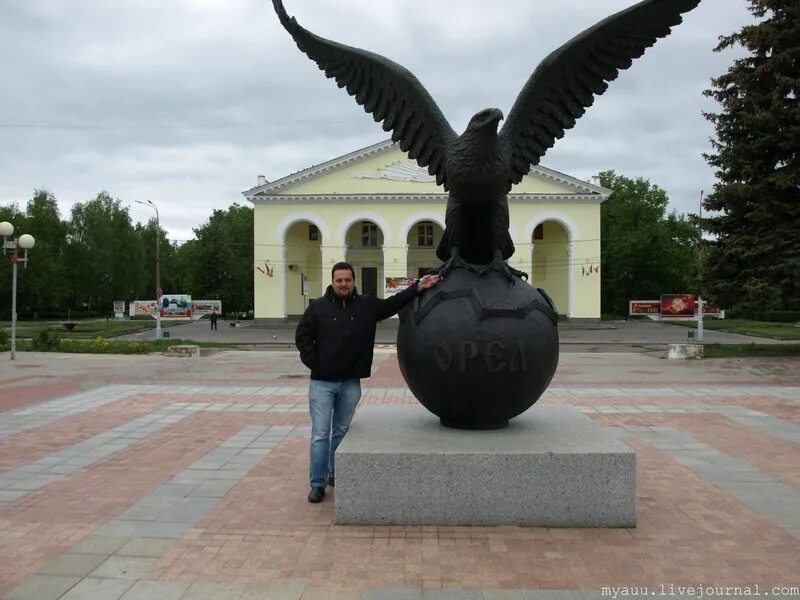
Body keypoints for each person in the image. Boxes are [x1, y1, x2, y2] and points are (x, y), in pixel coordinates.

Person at [295, 262, 440, 503]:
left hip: (351, 382)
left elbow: (393, 303)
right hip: (322, 383)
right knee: (321, 433)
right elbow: (302, 337)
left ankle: (335, 472)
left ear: (354, 281)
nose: (344, 284)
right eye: (339, 280)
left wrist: (418, 287)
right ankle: (317, 484)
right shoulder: (317, 308)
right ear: (332, 282)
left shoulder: (367, 305)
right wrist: (316, 363)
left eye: (348, 280)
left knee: (341, 431)